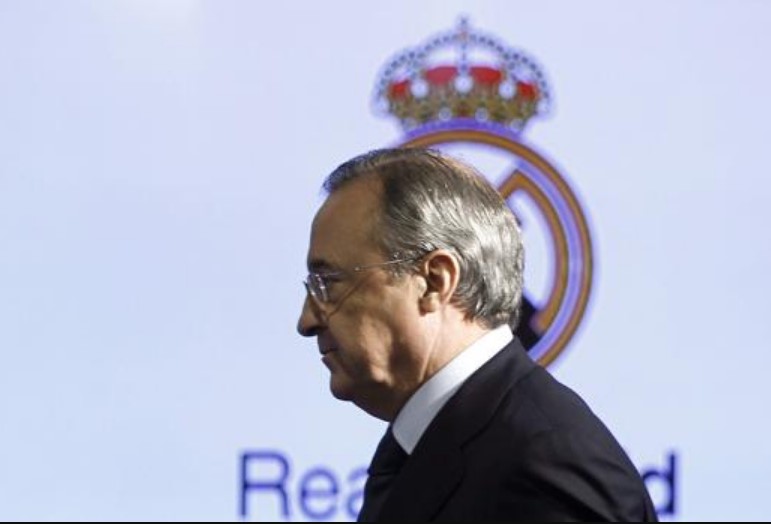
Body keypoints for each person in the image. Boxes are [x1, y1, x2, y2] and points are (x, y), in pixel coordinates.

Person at [297, 147, 658, 522]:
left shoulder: (545, 464)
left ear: (434, 281)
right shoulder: (430, 443)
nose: (306, 321)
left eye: (328, 283)